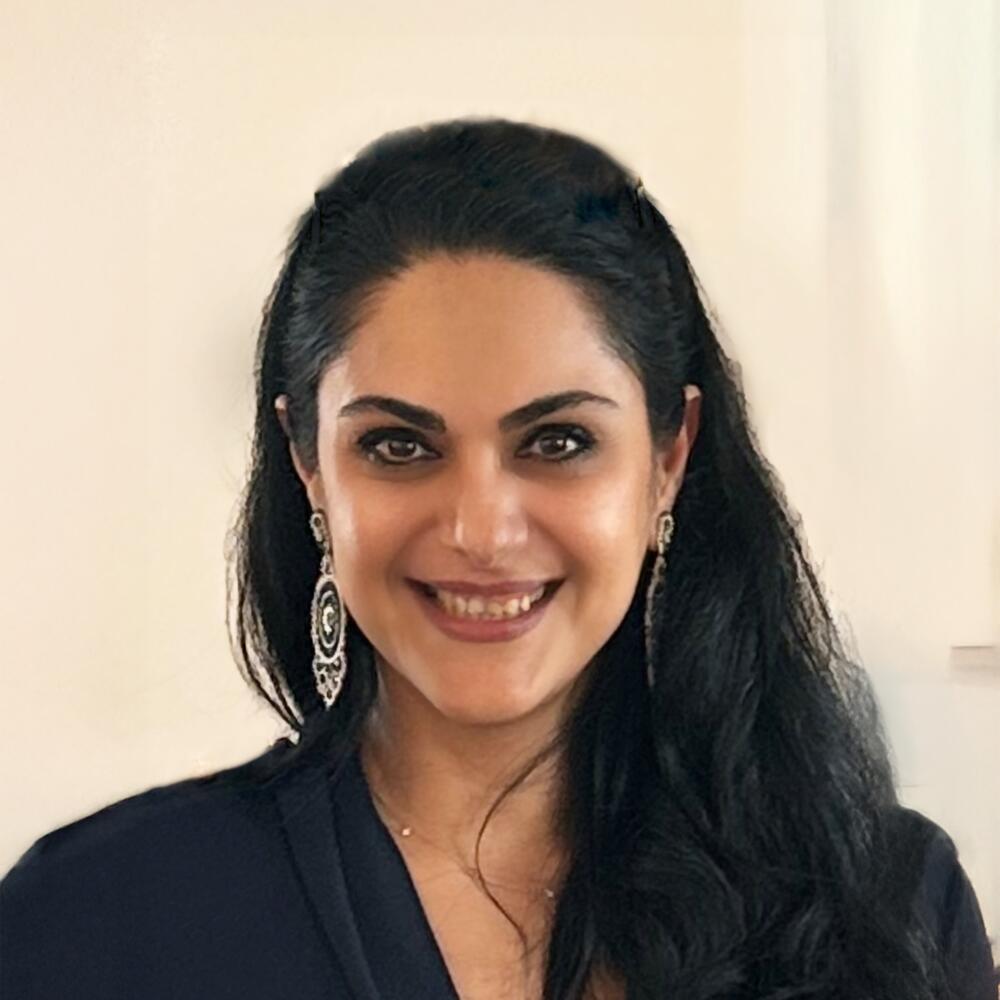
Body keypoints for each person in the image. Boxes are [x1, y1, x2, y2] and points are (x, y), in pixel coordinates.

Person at [1, 116, 996, 1000]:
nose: (481, 530)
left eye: (557, 442)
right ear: (309, 465)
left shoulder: (884, 905)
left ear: (668, 459)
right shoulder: (94, 918)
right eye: (399, 446)